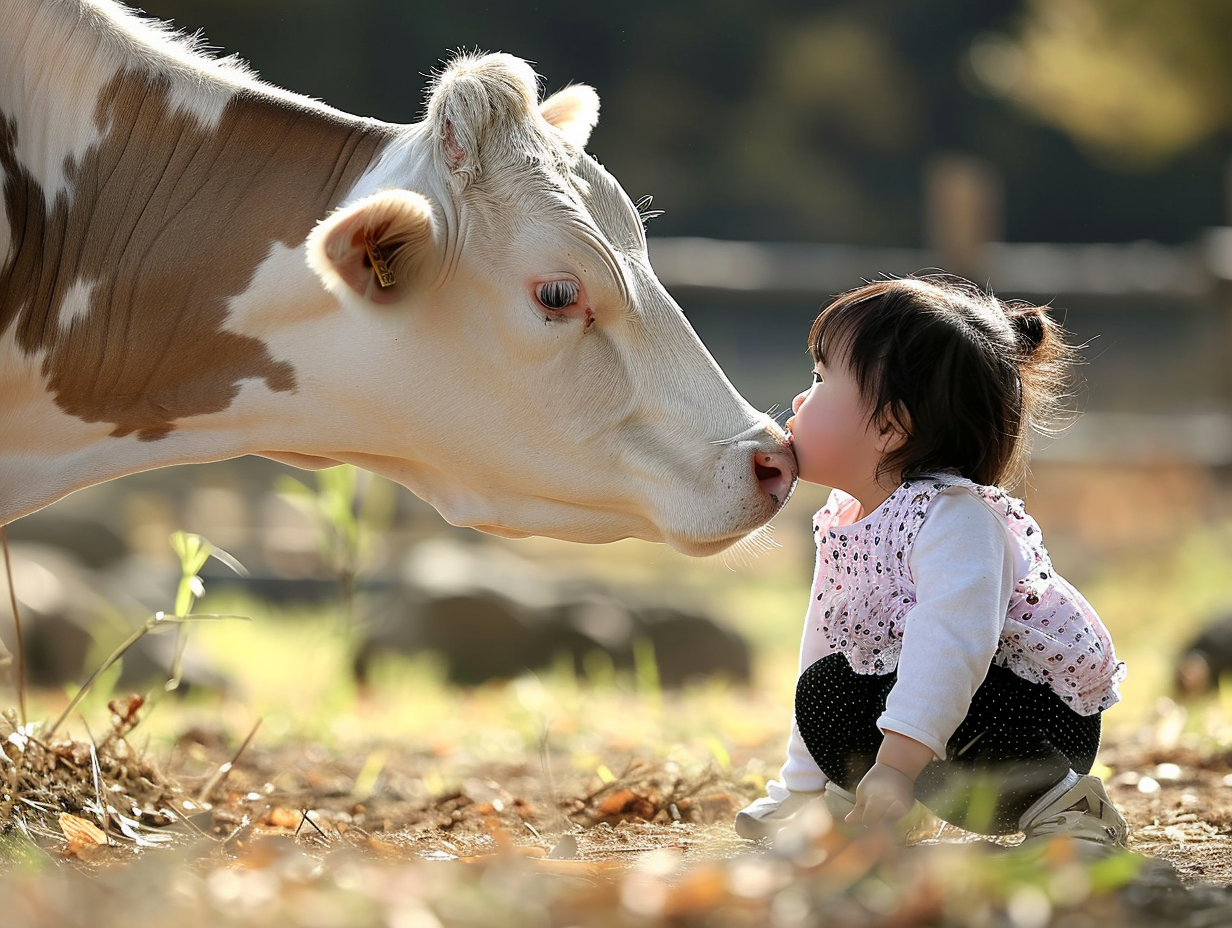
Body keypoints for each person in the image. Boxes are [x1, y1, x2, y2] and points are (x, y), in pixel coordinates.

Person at [735, 275, 1127, 850]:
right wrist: (802, 784)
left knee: (912, 678)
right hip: (941, 718)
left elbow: (952, 646)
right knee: (826, 686)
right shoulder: (848, 521)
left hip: (1026, 723)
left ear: (891, 428)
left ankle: (1069, 806)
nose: (798, 400)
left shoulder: (955, 519)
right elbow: (824, 642)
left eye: (821, 381)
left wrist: (896, 765)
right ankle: (863, 804)